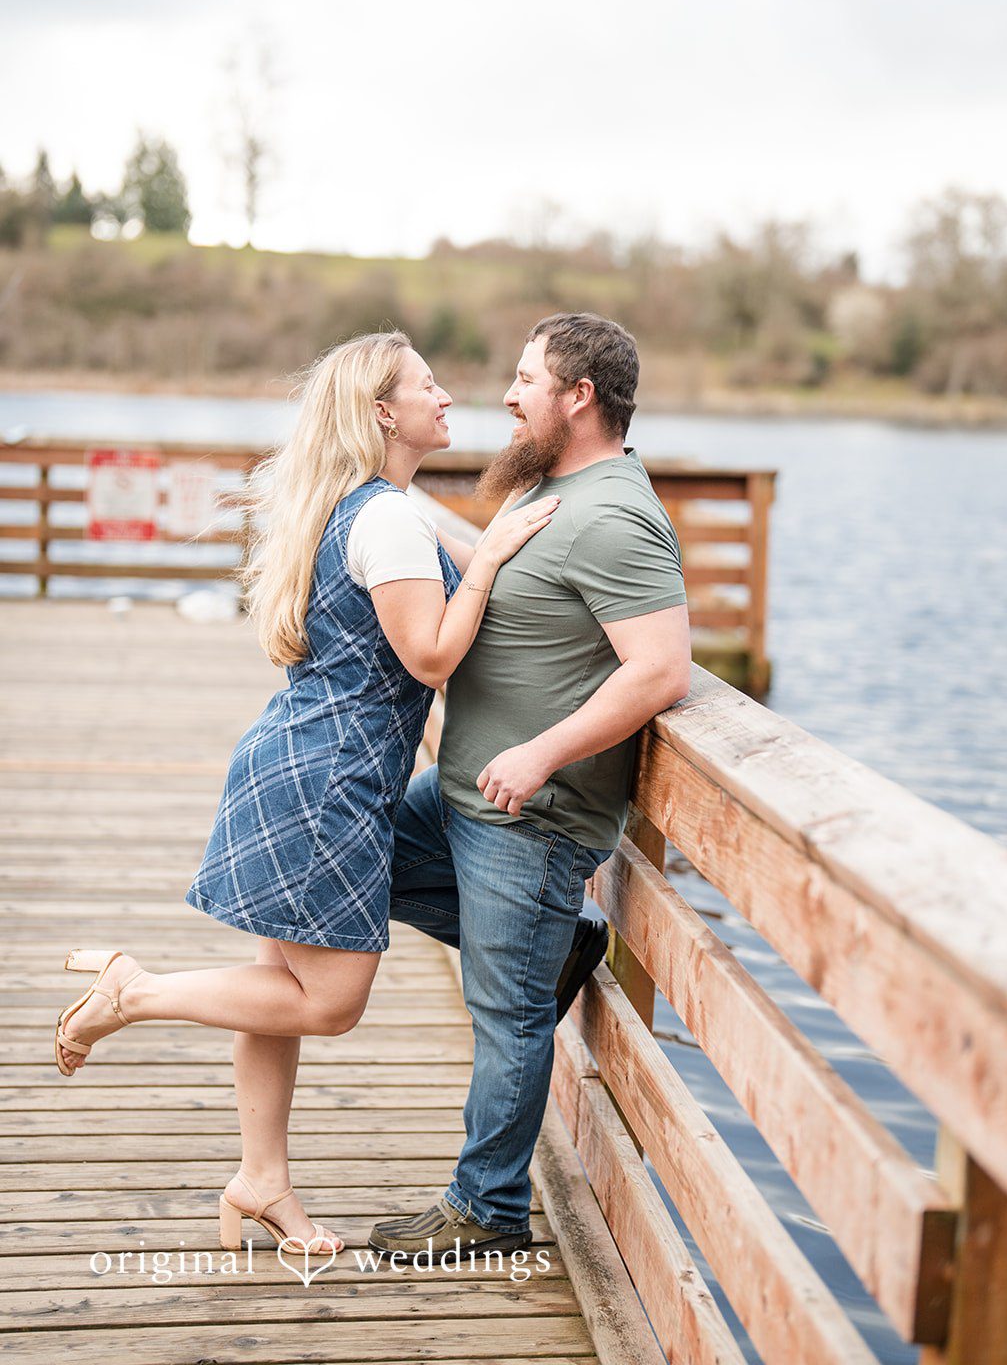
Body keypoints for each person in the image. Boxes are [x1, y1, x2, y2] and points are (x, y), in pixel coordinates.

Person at [51, 331, 559, 1257]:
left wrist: (481, 537)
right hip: (328, 785)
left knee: (273, 989)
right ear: (381, 413)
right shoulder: (390, 521)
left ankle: (261, 1180)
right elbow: (433, 655)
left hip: (298, 764)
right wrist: (487, 564)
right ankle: (135, 992)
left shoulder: (369, 504)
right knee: (326, 1003)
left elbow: (417, 555)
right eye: (426, 385)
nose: (448, 397)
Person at [369, 311, 692, 1260]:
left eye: (525, 380)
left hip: (530, 815)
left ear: (578, 396)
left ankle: (487, 1209)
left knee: (506, 1015)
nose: (505, 397)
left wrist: (542, 752)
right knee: (351, 863)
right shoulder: (556, 491)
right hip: (461, 794)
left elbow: (660, 669)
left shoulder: (618, 516)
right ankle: (563, 941)